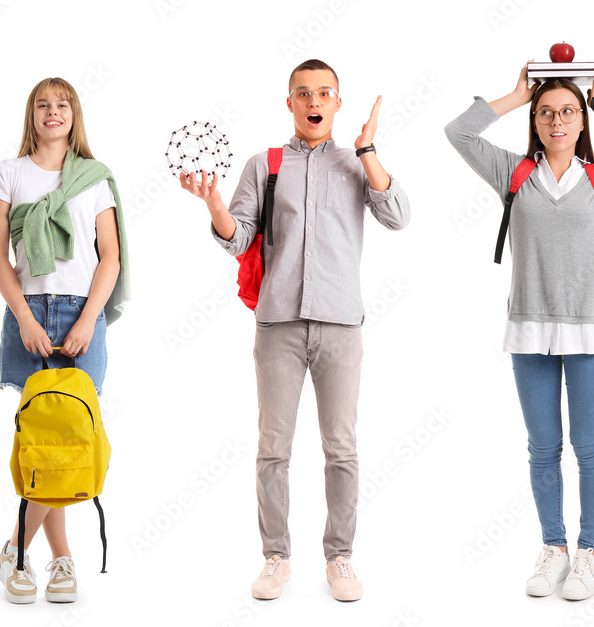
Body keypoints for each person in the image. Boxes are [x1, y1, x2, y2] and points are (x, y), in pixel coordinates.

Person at [180, 58, 410, 602]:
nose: (313, 101)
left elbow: (398, 215)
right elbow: (237, 239)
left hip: (340, 325)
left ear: (337, 102)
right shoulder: (266, 164)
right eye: (303, 93)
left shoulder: (357, 165)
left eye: (324, 93)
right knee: (273, 449)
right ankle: (276, 557)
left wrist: (369, 150)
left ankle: (340, 558)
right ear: (289, 102)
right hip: (278, 326)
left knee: (342, 449)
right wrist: (215, 206)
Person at [446, 60, 594, 600]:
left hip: (592, 329)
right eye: (547, 112)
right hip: (530, 328)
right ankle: (554, 547)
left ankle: (590, 551)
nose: (557, 121)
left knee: (588, 445)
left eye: (568, 111)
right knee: (543, 447)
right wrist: (514, 96)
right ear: (536, 120)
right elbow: (459, 132)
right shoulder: (514, 174)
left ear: (582, 120)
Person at [0, 77, 128, 604]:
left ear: (74, 114)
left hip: (80, 315)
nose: (52, 111)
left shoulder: (94, 178)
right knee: (42, 442)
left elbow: (109, 256)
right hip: (29, 315)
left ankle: (17, 552)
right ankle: (61, 562)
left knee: (70, 439)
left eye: (62, 103)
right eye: (42, 104)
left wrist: (89, 320)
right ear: (31, 114)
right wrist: (23, 316)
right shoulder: (8, 174)